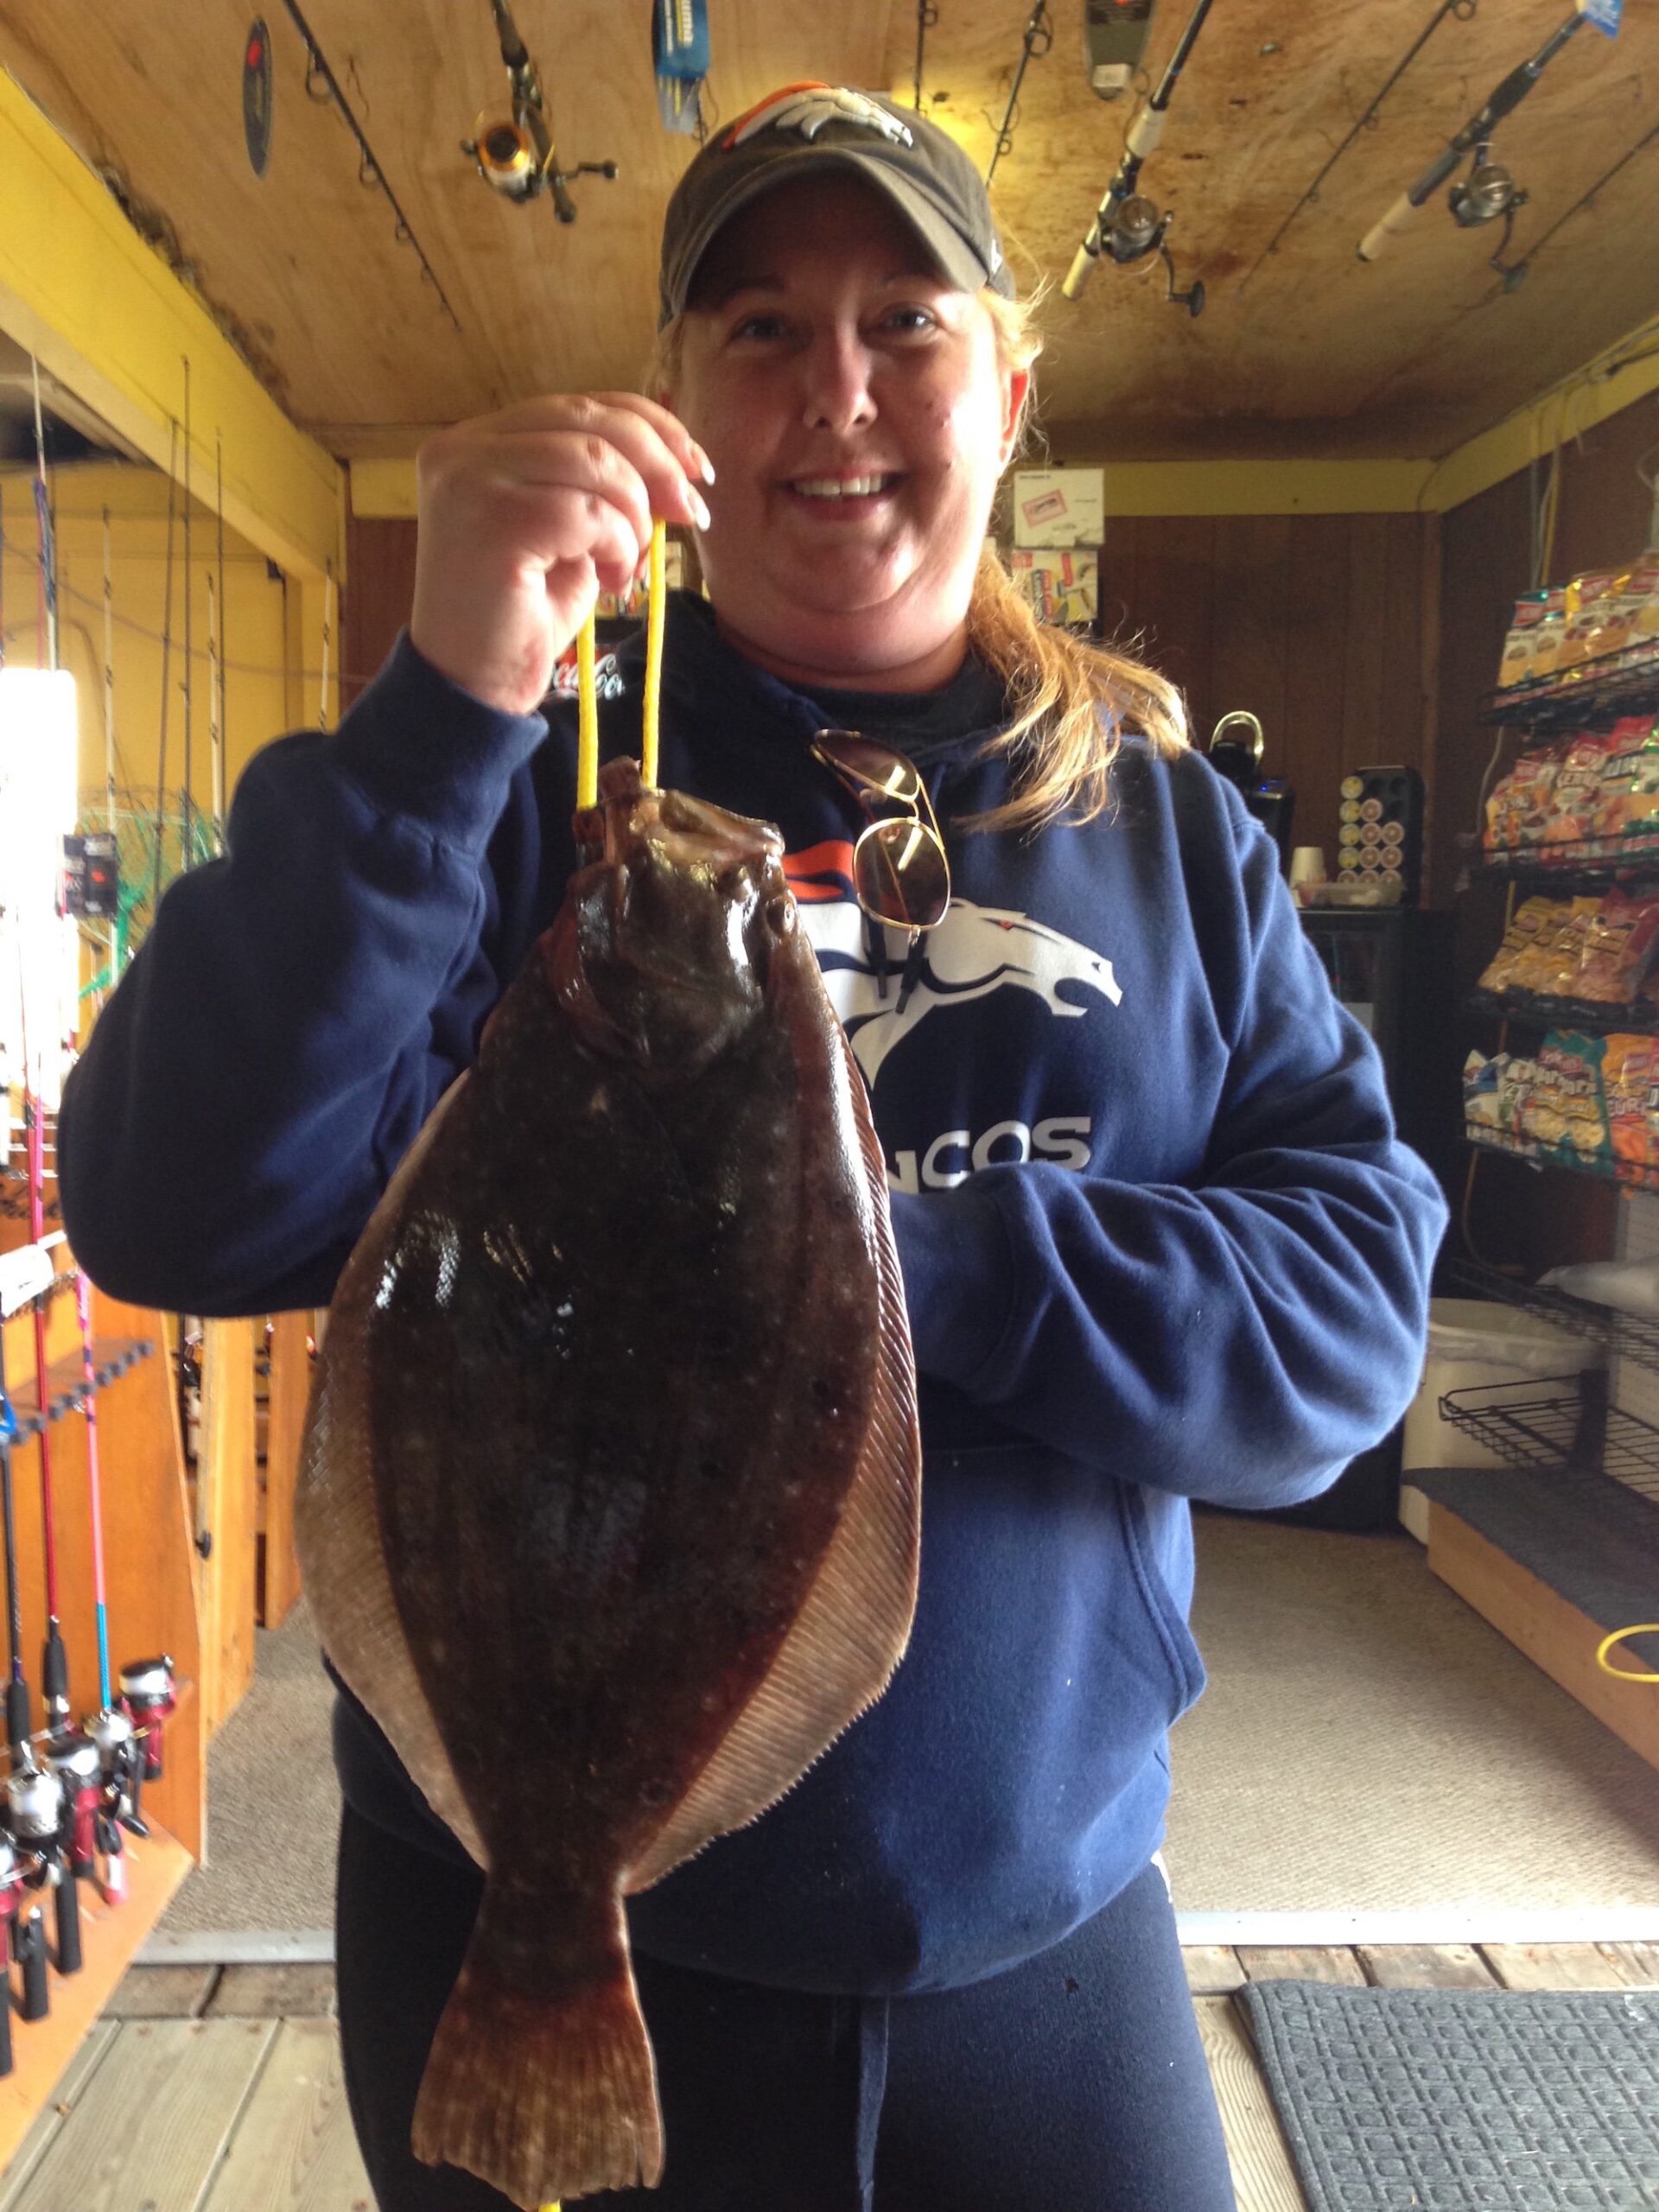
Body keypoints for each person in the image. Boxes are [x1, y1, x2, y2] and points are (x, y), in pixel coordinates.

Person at [59, 82, 1447, 2212]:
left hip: (1040, 1927)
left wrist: (878, 1260)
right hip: (531, 1899)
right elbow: (176, 1198)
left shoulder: (1165, 827)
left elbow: (1344, 1329)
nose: (841, 392)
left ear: (1008, 386)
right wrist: (438, 702)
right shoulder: (520, 771)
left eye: (905, 319)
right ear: (681, 395)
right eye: (764, 328)